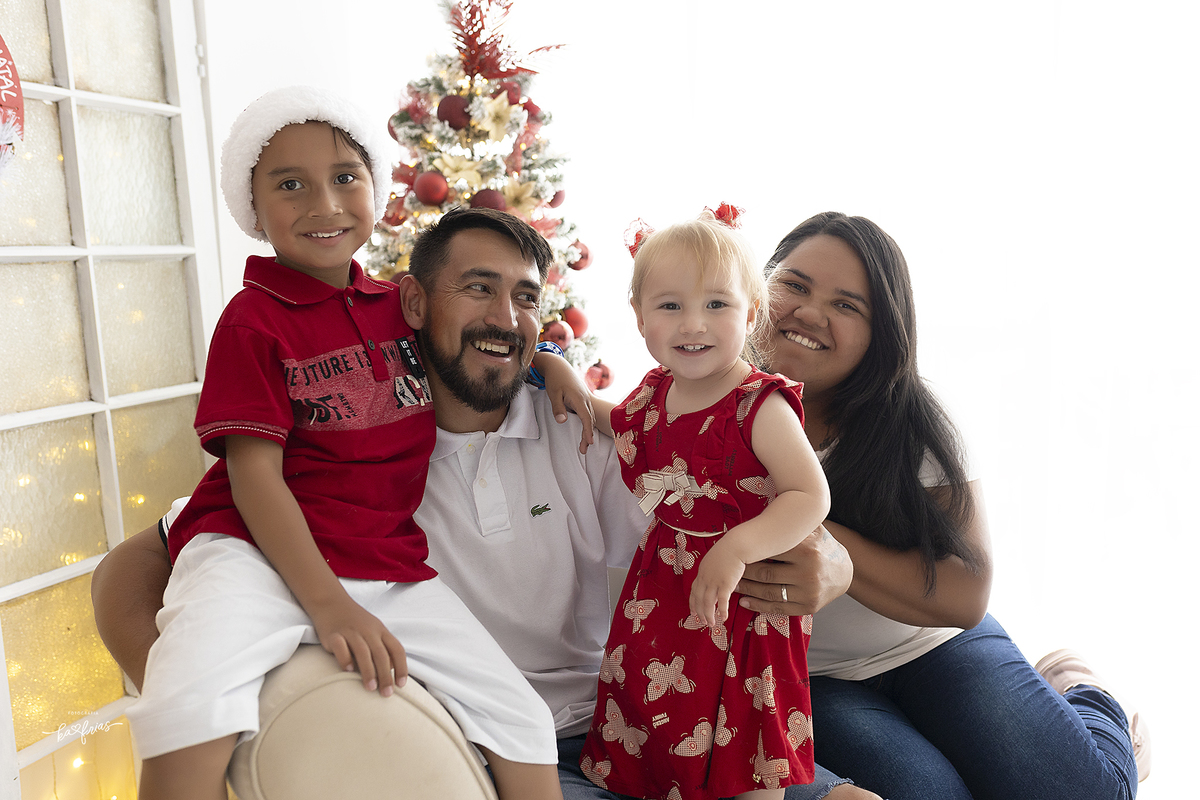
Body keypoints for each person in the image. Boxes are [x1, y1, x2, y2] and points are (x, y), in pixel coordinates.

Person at [92, 208, 881, 800]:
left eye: (525, 297)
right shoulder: (348, 454)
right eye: (478, 289)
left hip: (650, 722)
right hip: (505, 754)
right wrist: (209, 698)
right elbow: (133, 566)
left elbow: (732, 503)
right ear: (413, 304)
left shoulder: (584, 430)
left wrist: (833, 565)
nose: (505, 317)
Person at [123, 88, 564, 800]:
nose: (323, 204)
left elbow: (487, 333)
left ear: (373, 188)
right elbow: (255, 478)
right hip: (253, 553)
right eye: (289, 185)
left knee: (522, 719)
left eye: (344, 177)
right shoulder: (252, 321)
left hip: (387, 565)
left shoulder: (397, 305)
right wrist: (327, 605)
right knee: (189, 704)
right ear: (252, 206)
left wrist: (554, 365)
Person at [753, 211, 1148, 800]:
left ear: (881, 332)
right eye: (794, 285)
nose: (810, 314)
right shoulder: (702, 410)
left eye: (847, 305)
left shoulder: (915, 424)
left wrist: (828, 545)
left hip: (934, 642)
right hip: (815, 677)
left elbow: (967, 595)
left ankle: (1081, 690)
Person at [579, 208, 831, 800]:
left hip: (742, 600)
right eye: (670, 306)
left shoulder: (757, 405)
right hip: (664, 587)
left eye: (717, 304)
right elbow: (621, 423)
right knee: (660, 716)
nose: (693, 324)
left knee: (744, 740)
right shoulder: (656, 392)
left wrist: (736, 548)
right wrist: (564, 380)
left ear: (752, 312)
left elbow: (810, 494)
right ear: (640, 316)